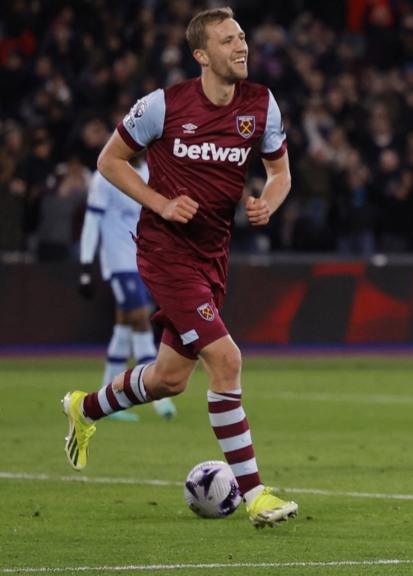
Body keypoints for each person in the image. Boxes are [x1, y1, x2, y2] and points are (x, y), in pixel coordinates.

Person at [61, 7, 298, 528]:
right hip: (166, 251)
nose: (241, 47)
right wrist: (161, 203)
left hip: (215, 254)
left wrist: (268, 203)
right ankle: (256, 496)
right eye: (228, 41)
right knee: (226, 360)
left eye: (242, 38)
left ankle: (85, 408)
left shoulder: (261, 105)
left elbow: (279, 172)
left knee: (170, 379)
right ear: (201, 55)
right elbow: (109, 161)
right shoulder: (163, 106)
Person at [78, 156, 177, 422]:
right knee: (141, 319)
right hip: (117, 262)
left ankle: (106, 393)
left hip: (141, 261)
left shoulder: (150, 172)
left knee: (124, 324)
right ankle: (161, 397)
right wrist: (86, 265)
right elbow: (92, 221)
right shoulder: (105, 176)